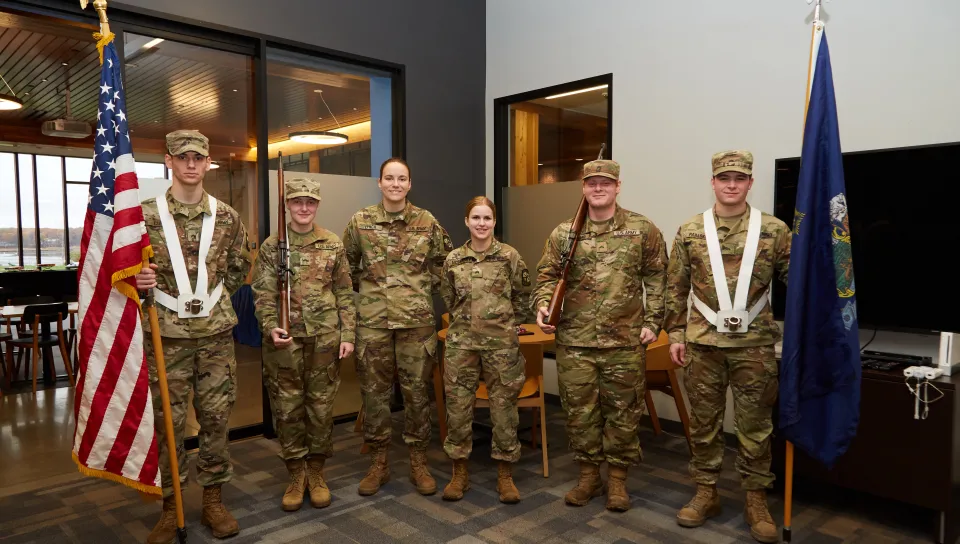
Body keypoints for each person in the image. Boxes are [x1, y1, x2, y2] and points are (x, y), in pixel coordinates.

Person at [664, 150, 791, 543]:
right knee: (704, 425)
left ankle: (756, 499)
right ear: (713, 182)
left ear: (750, 182)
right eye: (724, 178)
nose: (731, 184)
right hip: (703, 345)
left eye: (739, 178)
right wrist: (675, 334)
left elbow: (799, 284)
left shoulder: (775, 230)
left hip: (754, 345)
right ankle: (706, 492)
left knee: (755, 426)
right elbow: (676, 286)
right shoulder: (689, 231)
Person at [136, 130, 251, 542]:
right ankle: (173, 506)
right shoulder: (143, 216)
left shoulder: (227, 216)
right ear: (169, 161)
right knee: (168, 422)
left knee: (216, 420)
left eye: (197, 158)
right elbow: (124, 273)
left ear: (207, 164)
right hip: (165, 335)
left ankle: (213, 502)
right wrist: (140, 278)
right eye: (182, 156)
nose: (190, 164)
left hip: (215, 335)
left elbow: (239, 268)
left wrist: (207, 299)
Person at [533, 158, 667, 512]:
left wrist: (653, 321)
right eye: (591, 183)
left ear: (617, 186)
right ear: (583, 187)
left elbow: (658, 279)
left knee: (623, 413)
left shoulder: (641, 229)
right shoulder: (564, 234)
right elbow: (546, 276)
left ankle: (618, 482)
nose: (598, 188)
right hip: (575, 342)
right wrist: (544, 306)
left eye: (605, 183)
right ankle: (589, 477)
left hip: (624, 342)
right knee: (580, 413)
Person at [342, 157, 453, 496]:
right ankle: (379, 463)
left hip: (415, 324)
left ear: (409, 184)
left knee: (417, 395)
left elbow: (445, 267)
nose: (395, 184)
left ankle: (419, 461)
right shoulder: (360, 222)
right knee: (374, 396)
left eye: (401, 178)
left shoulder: (426, 221)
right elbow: (345, 270)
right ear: (380, 183)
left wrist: (424, 295)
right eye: (389, 178)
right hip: (373, 323)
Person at [251, 177, 356, 512]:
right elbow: (263, 296)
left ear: (317, 205)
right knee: (287, 408)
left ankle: (317, 471)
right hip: (286, 341)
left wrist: (349, 334)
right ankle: (296, 473)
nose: (304, 208)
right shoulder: (272, 247)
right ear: (288, 206)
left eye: (310, 202)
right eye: (297, 202)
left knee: (321, 408)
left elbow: (344, 292)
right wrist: (270, 328)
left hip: (324, 338)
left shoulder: (332, 243)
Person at [438, 196, 531, 503]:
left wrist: (505, 324)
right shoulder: (453, 260)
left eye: (487, 218)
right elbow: (449, 299)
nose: (481, 223)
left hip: (501, 347)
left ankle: (505, 475)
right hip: (461, 346)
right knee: (458, 409)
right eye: (476, 218)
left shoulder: (509, 256)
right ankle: (459, 473)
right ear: (467, 221)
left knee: (504, 410)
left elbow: (522, 294)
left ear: (494, 222)